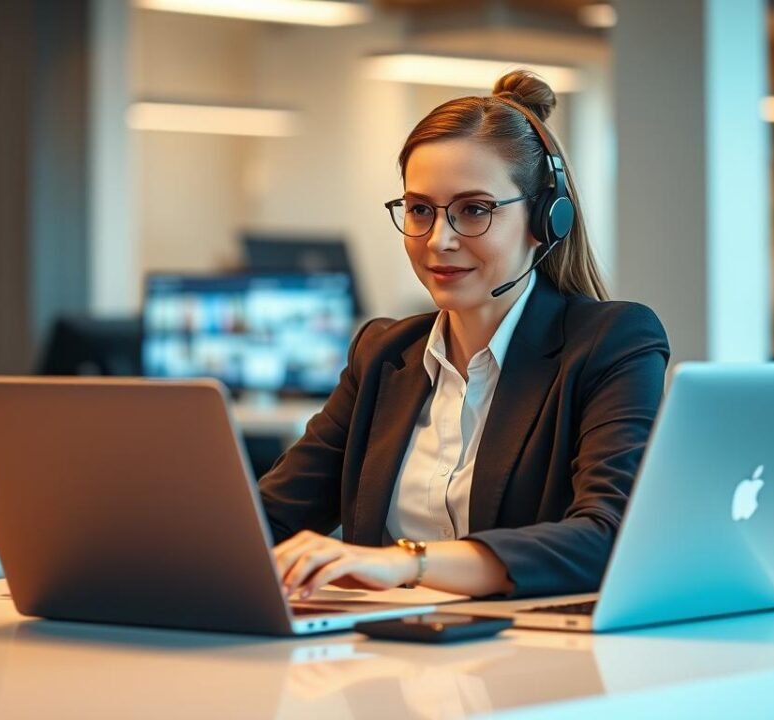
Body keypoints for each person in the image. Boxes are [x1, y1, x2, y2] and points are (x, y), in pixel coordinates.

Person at [261, 70, 670, 600]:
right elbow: (268, 520)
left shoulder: (611, 343)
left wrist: (406, 564)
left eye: (474, 210)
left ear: (547, 220)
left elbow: (608, 537)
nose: (439, 240)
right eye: (420, 210)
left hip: (529, 662)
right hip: (379, 659)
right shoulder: (384, 354)